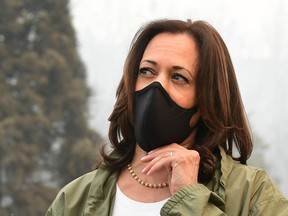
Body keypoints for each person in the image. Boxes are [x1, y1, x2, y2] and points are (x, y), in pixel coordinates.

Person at [45, 19, 288, 215]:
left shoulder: (253, 195)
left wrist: (190, 197)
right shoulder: (75, 199)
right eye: (147, 71)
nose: (156, 86)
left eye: (178, 77)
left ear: (206, 102)